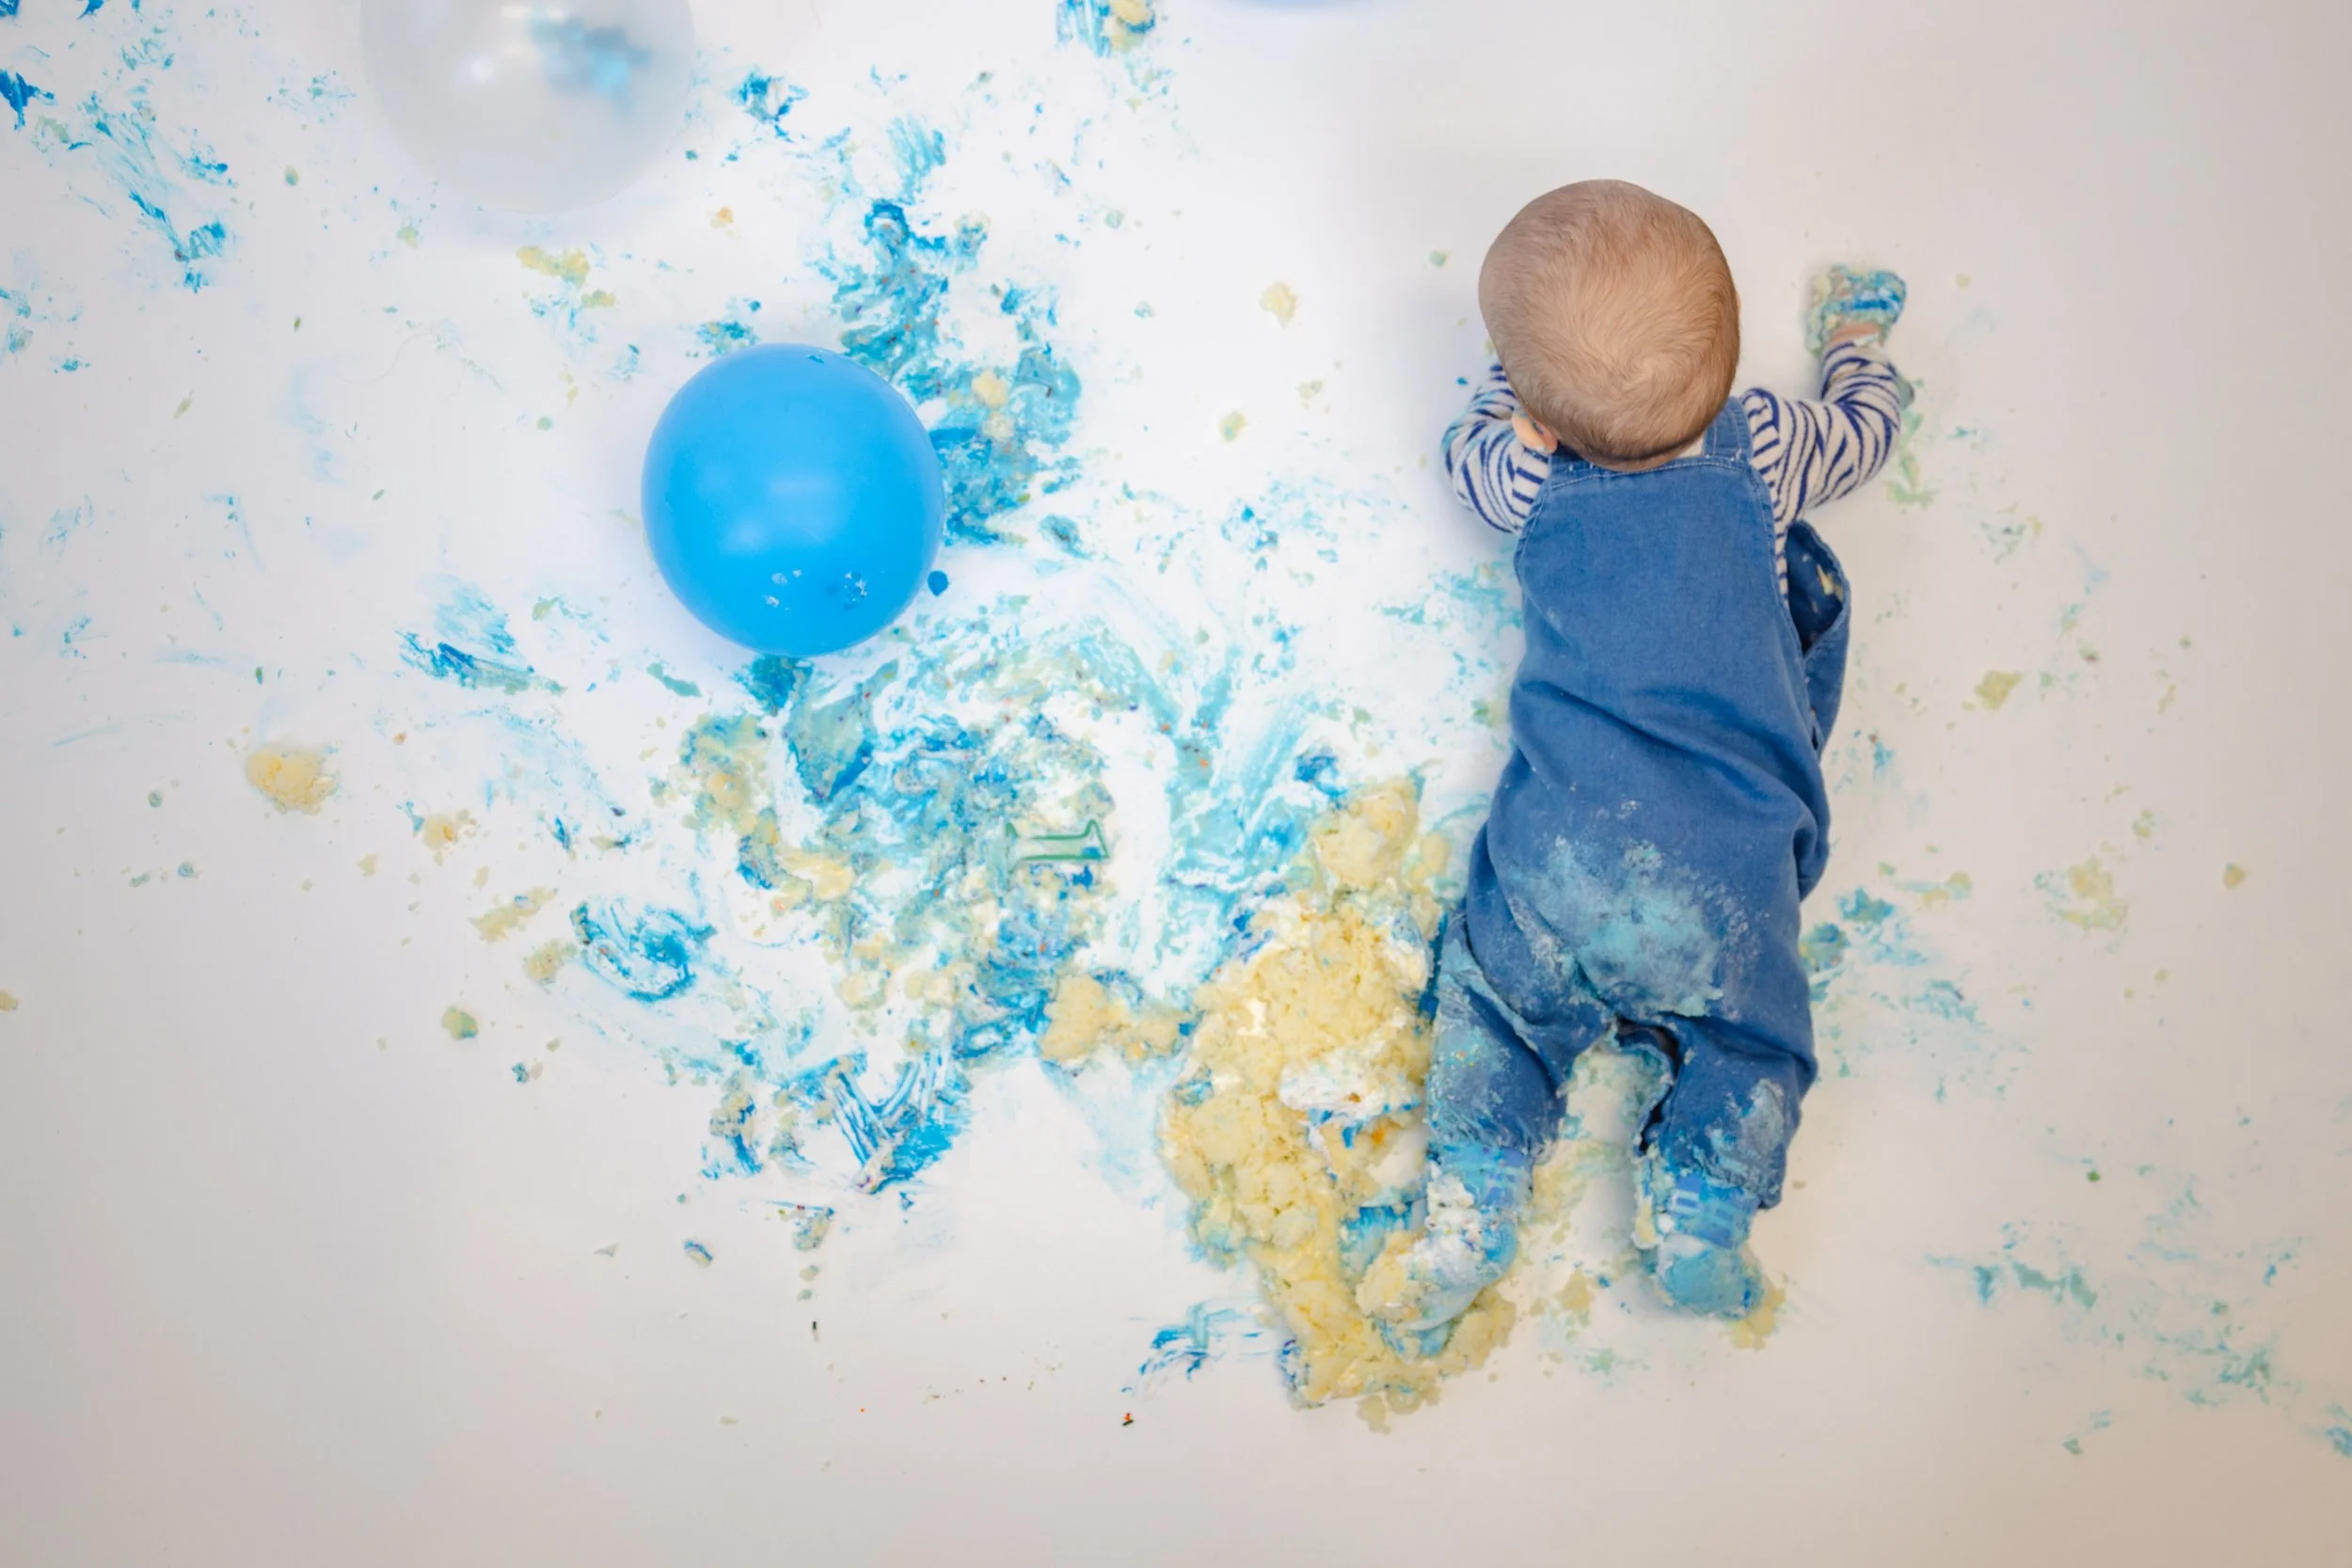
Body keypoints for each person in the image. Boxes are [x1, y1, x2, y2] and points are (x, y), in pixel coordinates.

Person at [1360, 180, 1908, 1327]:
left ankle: (1472, 1199)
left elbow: (1462, 451)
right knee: (1756, 1036)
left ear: (1539, 414)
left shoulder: (1527, 472)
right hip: (1730, 866)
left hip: (1564, 854)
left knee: (1496, 1002)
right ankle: (1707, 1198)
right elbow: (1866, 436)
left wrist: (1513, 388)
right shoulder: (1765, 446)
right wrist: (1858, 348)